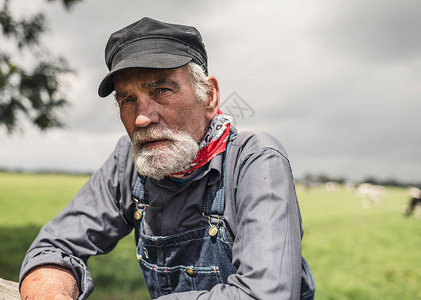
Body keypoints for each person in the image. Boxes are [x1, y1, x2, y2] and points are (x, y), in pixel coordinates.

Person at [19, 17, 315, 300]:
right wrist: (52, 292)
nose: (142, 118)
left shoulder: (254, 159)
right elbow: (54, 246)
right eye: (127, 99)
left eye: (162, 90)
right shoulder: (129, 161)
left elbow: (266, 294)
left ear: (209, 96)